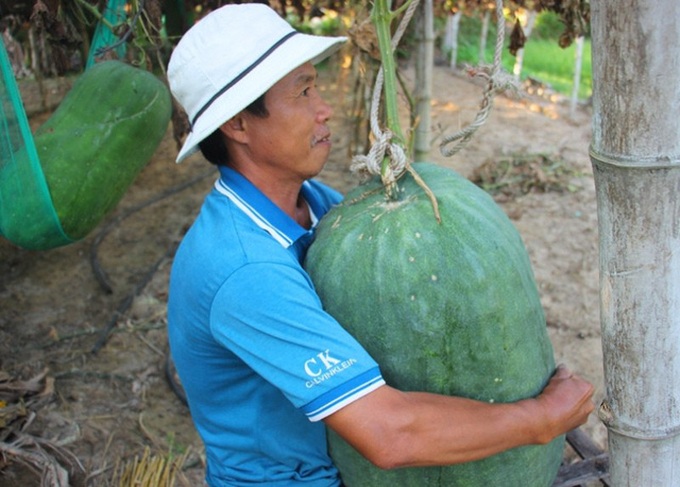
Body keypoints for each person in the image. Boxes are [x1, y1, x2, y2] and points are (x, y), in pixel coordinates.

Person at [166, 4, 595, 486]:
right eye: (303, 92)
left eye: (316, 85)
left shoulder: (317, 205)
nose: (322, 107)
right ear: (238, 126)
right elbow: (389, 434)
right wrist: (541, 419)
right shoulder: (244, 270)